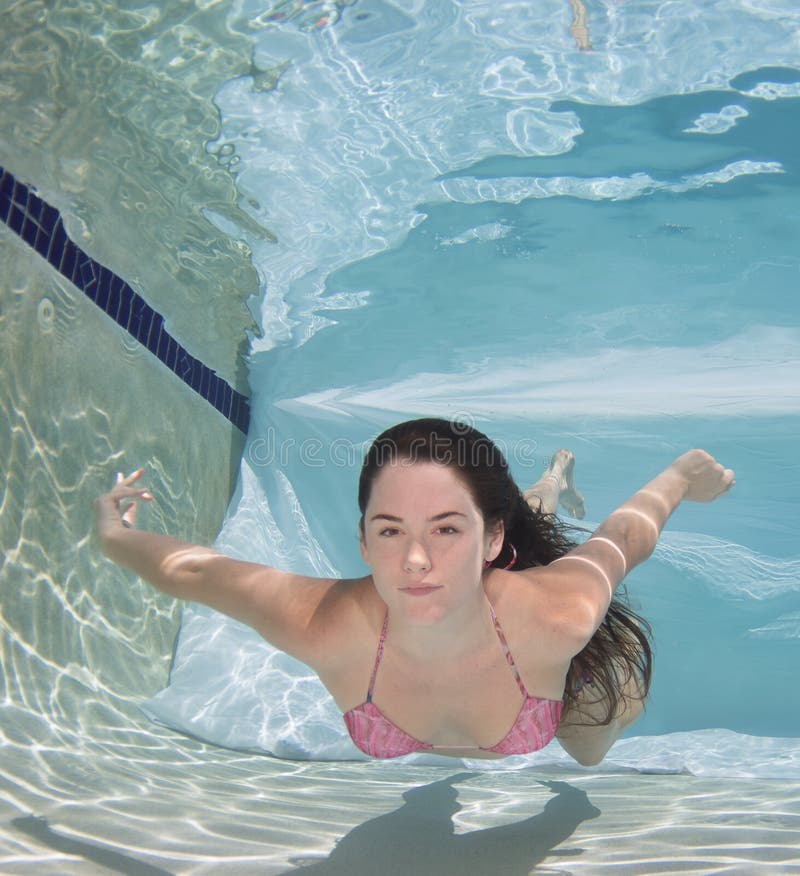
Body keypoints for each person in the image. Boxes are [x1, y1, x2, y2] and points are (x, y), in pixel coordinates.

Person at [95, 418, 734, 764]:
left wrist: (681, 476)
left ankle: (545, 487)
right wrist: (114, 537)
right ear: (364, 540)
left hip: (572, 693)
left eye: (446, 529)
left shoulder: (556, 615)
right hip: (498, 549)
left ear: (487, 543)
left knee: (591, 754)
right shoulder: (325, 625)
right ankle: (535, 488)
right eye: (391, 529)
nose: (416, 560)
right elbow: (196, 572)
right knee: (510, 528)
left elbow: (621, 542)